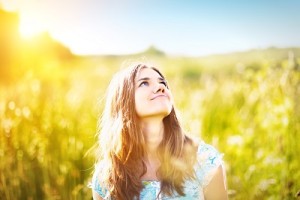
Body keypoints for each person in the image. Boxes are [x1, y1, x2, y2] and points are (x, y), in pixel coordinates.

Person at [91, 62, 228, 200]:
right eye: (144, 83)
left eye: (163, 83)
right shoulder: (106, 177)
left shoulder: (204, 161)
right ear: (123, 100)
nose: (160, 87)